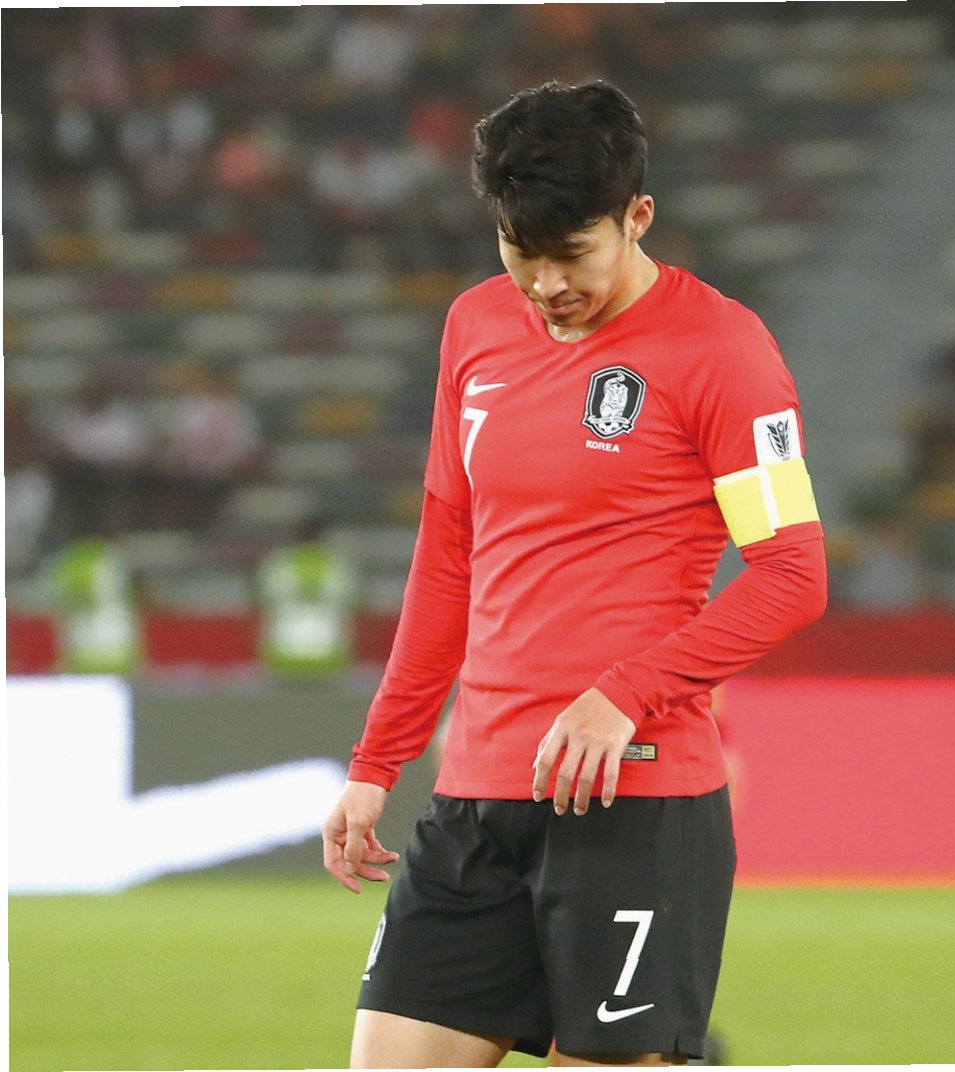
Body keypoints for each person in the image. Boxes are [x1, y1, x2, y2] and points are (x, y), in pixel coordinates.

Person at [322, 80, 827, 1068]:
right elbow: (447, 559)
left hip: (632, 804)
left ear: (636, 216)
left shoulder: (722, 351)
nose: (546, 284)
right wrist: (377, 761)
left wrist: (622, 696)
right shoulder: (474, 327)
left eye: (571, 254)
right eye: (521, 253)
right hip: (476, 797)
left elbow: (790, 574)